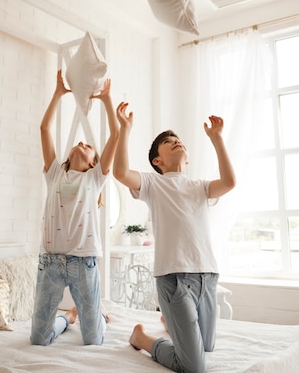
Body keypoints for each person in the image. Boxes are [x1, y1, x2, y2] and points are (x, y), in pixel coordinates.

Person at [113, 102, 236, 373]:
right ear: (158, 161)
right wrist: (125, 129)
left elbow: (229, 182)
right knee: (194, 367)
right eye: (169, 142)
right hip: (175, 279)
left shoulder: (200, 187)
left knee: (207, 347)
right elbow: (120, 173)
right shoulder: (153, 184)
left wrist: (217, 139)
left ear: (187, 157)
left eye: (179, 140)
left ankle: (172, 322)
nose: (177, 142)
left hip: (207, 276)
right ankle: (142, 338)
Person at [30, 70, 118, 346]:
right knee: (39, 339)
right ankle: (68, 317)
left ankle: (97, 316)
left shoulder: (95, 178)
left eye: (88, 146)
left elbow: (116, 133)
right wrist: (58, 93)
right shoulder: (55, 173)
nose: (81, 143)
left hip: (84, 262)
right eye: (77, 143)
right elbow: (44, 129)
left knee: (93, 340)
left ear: (94, 162)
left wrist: (106, 99)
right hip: (51, 263)